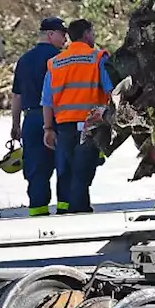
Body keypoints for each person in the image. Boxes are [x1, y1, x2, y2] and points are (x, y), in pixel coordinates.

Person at [42, 19, 113, 214]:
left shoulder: (55, 63)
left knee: (71, 169)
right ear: (87, 34)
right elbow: (111, 91)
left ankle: (75, 209)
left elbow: (47, 100)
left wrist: (48, 129)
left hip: (64, 125)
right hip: (90, 124)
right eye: (93, 32)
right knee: (84, 171)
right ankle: (79, 212)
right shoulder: (97, 58)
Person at [10, 18, 69, 216]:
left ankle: (38, 210)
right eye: (62, 34)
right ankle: (65, 208)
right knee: (64, 164)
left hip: (32, 119)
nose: (65, 39)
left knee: (35, 168)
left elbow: (16, 95)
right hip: (57, 119)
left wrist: (15, 124)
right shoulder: (61, 60)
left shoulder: (24, 60)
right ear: (50, 34)